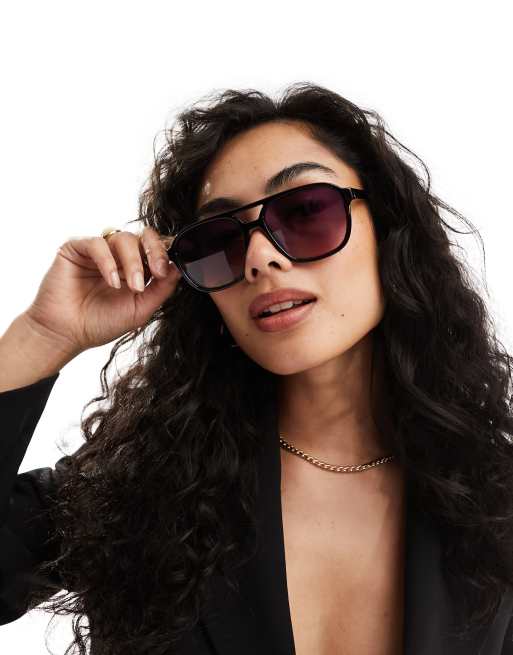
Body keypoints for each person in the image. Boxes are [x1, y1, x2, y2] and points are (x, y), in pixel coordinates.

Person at [1, 82, 513, 655]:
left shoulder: (496, 497)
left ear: (390, 230)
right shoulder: (139, 490)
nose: (259, 257)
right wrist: (41, 337)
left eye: (306, 211)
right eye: (219, 240)